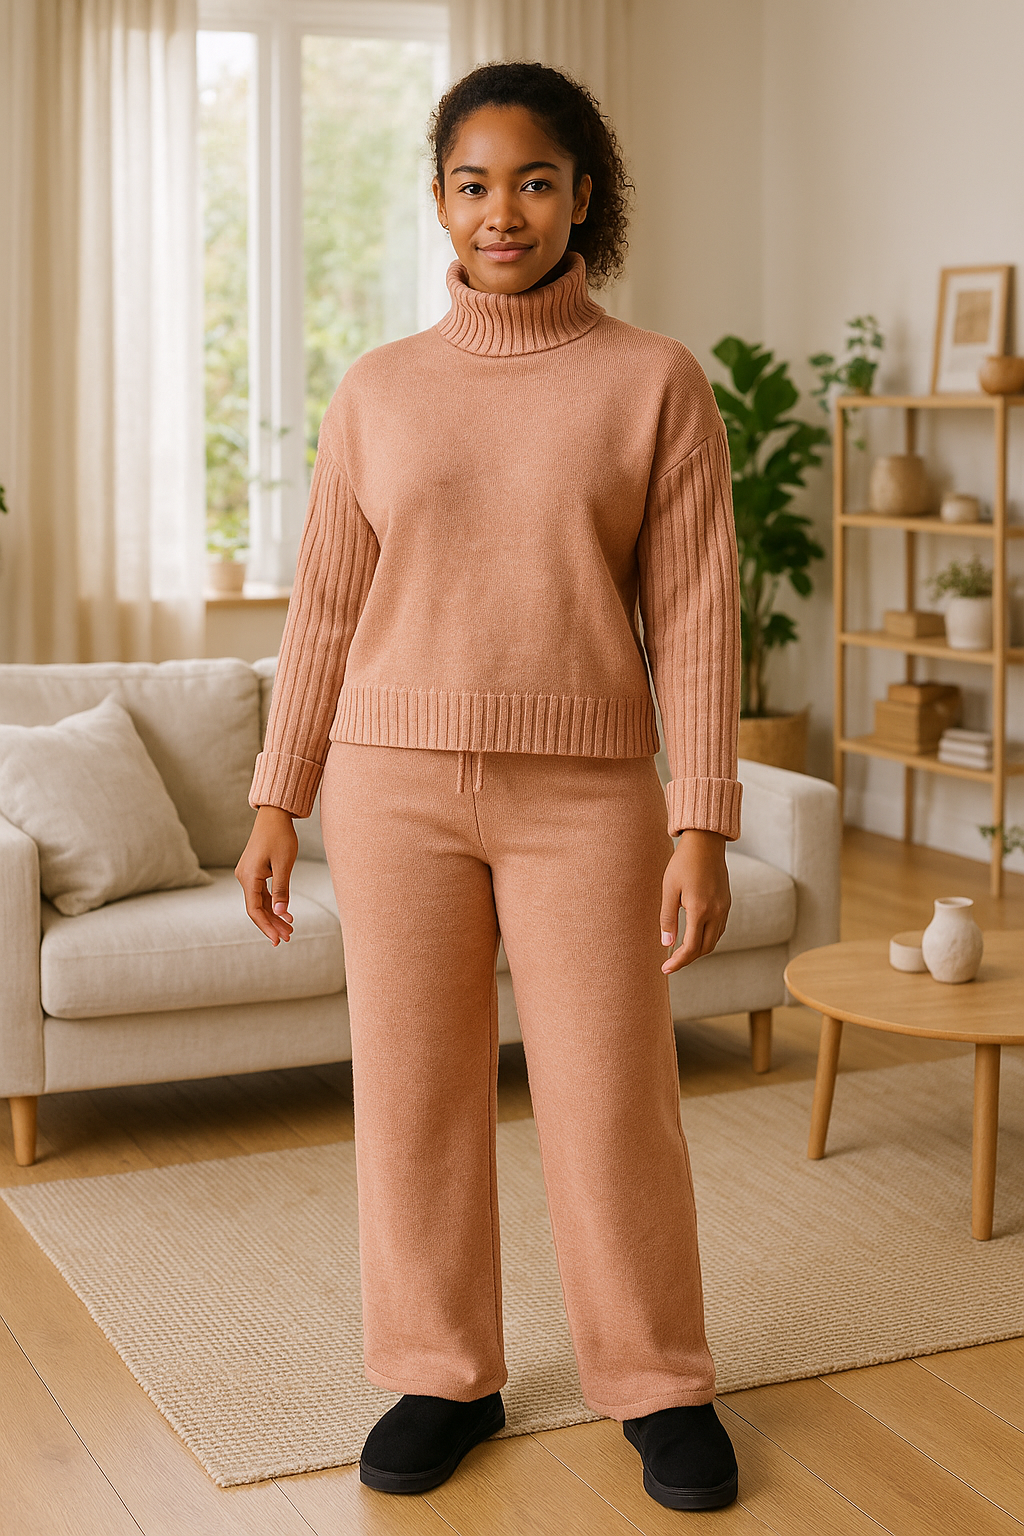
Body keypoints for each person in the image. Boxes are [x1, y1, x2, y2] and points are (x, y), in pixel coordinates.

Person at [236, 60, 742, 1515]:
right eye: (472, 182)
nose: (501, 210)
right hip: (390, 792)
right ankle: (440, 1372)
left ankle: (656, 1384)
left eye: (533, 180)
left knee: (610, 1097)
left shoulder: (655, 382)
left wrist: (701, 817)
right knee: (413, 1095)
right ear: (439, 201)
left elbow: (696, 617)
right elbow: (326, 607)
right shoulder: (379, 389)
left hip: (590, 796)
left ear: (586, 194)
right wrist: (281, 796)